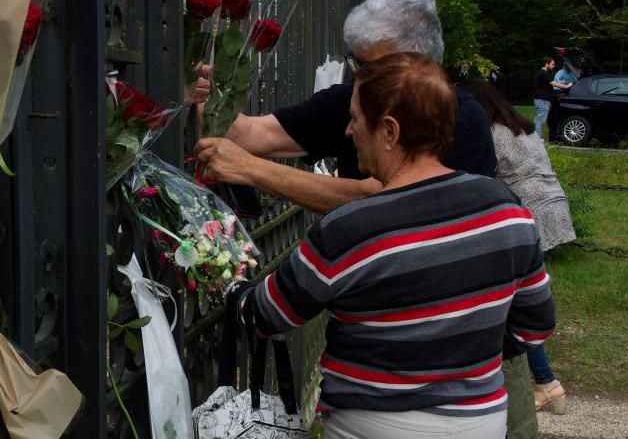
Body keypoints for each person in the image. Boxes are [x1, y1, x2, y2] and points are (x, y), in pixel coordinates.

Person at [232, 53, 556, 438]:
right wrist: (456, 359)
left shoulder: (351, 228)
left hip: (372, 423)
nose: (349, 132)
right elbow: (535, 326)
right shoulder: (508, 211)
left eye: (354, 119)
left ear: (389, 131)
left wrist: (229, 281)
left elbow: (267, 314)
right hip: (479, 423)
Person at [195, 0, 497, 215]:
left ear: (416, 65)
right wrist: (203, 91)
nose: (359, 77)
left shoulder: (458, 120)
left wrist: (250, 169)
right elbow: (252, 134)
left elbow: (381, 201)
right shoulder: (351, 100)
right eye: (356, 63)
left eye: (369, 66)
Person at [465, 81, 575, 416]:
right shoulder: (524, 128)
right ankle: (542, 381)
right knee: (522, 299)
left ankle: (546, 382)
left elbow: (483, 176)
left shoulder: (492, 133)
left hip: (528, 213)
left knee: (514, 305)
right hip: (553, 206)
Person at [533, 56, 573, 138]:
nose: (554, 66)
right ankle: (537, 138)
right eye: (552, 64)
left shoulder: (543, 73)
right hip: (542, 100)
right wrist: (566, 86)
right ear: (546, 64)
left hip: (542, 100)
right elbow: (554, 83)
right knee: (541, 119)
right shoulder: (543, 73)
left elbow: (553, 83)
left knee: (539, 118)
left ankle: (534, 136)